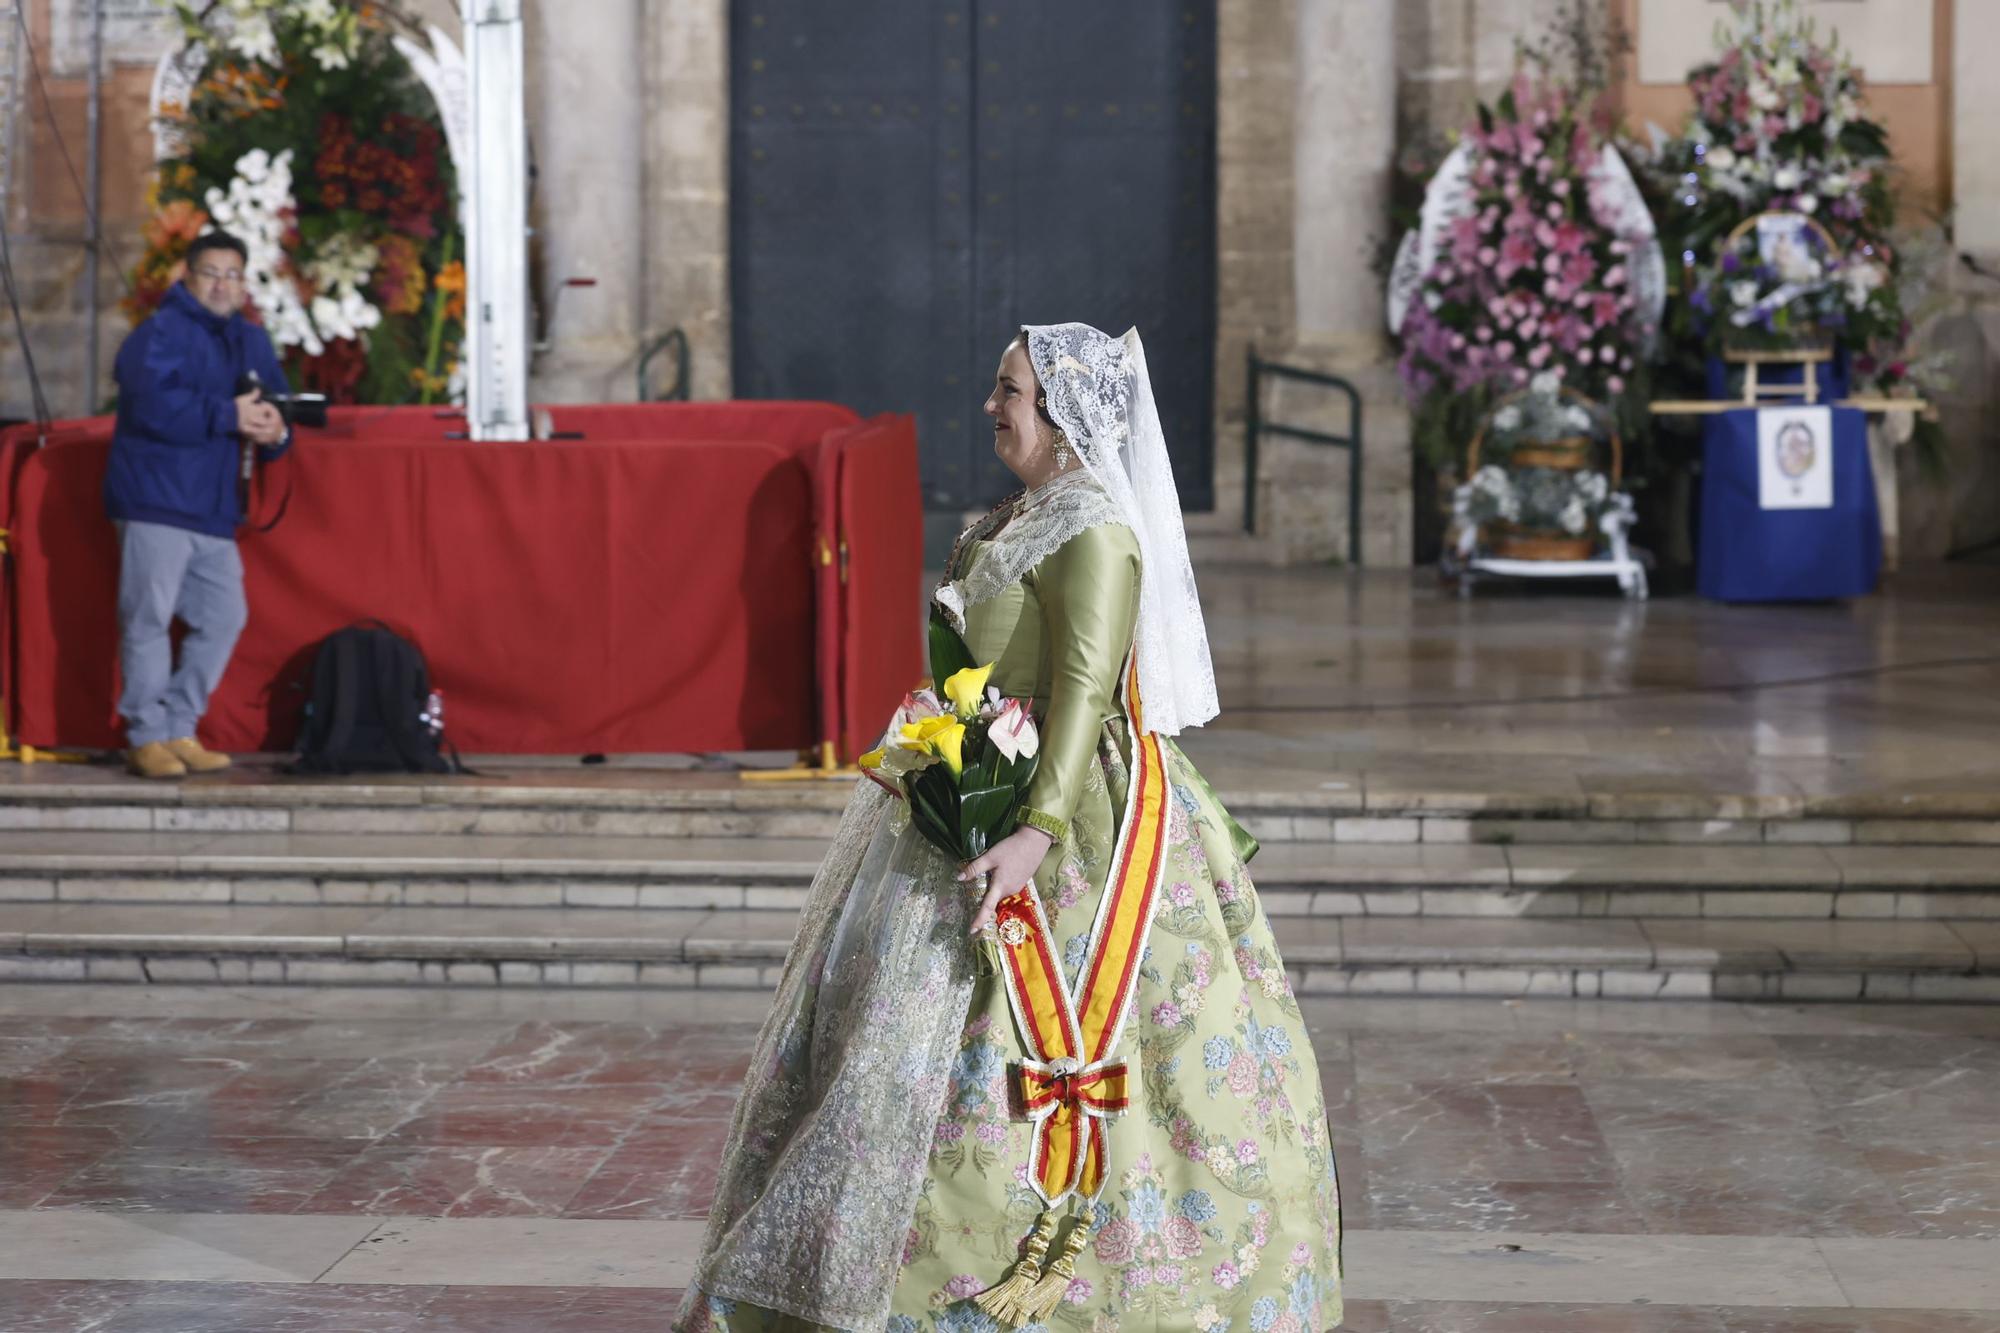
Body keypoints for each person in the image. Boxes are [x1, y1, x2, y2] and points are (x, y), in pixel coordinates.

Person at [677, 324, 1343, 1332]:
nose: (992, 406)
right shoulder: (1015, 516)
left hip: (1065, 811)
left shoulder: (1095, 529)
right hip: (968, 776)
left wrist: (1035, 830)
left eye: (1011, 391)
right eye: (996, 387)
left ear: (1066, 413)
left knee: (1061, 1048)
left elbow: (1081, 689)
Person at [104, 230, 291, 779]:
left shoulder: (251, 340)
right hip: (155, 499)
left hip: (213, 507)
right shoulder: (159, 333)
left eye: (233, 274)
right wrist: (227, 416)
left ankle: (181, 724)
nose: (222, 284)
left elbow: (277, 403)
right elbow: (154, 408)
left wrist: (277, 431)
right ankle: (145, 734)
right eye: (211, 272)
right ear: (187, 277)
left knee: (224, 615)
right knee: (148, 618)